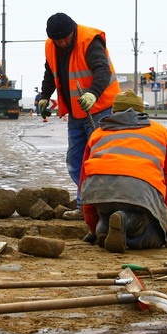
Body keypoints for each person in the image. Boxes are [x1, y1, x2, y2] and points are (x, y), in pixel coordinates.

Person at [37, 13, 121, 217]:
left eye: (65, 38)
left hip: (101, 108)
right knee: (75, 160)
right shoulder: (51, 46)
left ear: (73, 30)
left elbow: (103, 70)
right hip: (77, 112)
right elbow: (50, 74)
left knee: (99, 159)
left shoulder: (90, 40)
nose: (63, 43)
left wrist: (93, 93)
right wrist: (45, 96)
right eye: (58, 40)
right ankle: (88, 206)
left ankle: (104, 205)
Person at [79, 90, 167, 253]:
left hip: (99, 192)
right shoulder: (161, 132)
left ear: (113, 112)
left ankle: (103, 227)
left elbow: (85, 177)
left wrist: (92, 226)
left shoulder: (97, 134)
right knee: (153, 236)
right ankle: (128, 221)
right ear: (142, 112)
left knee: (107, 213)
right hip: (138, 193)